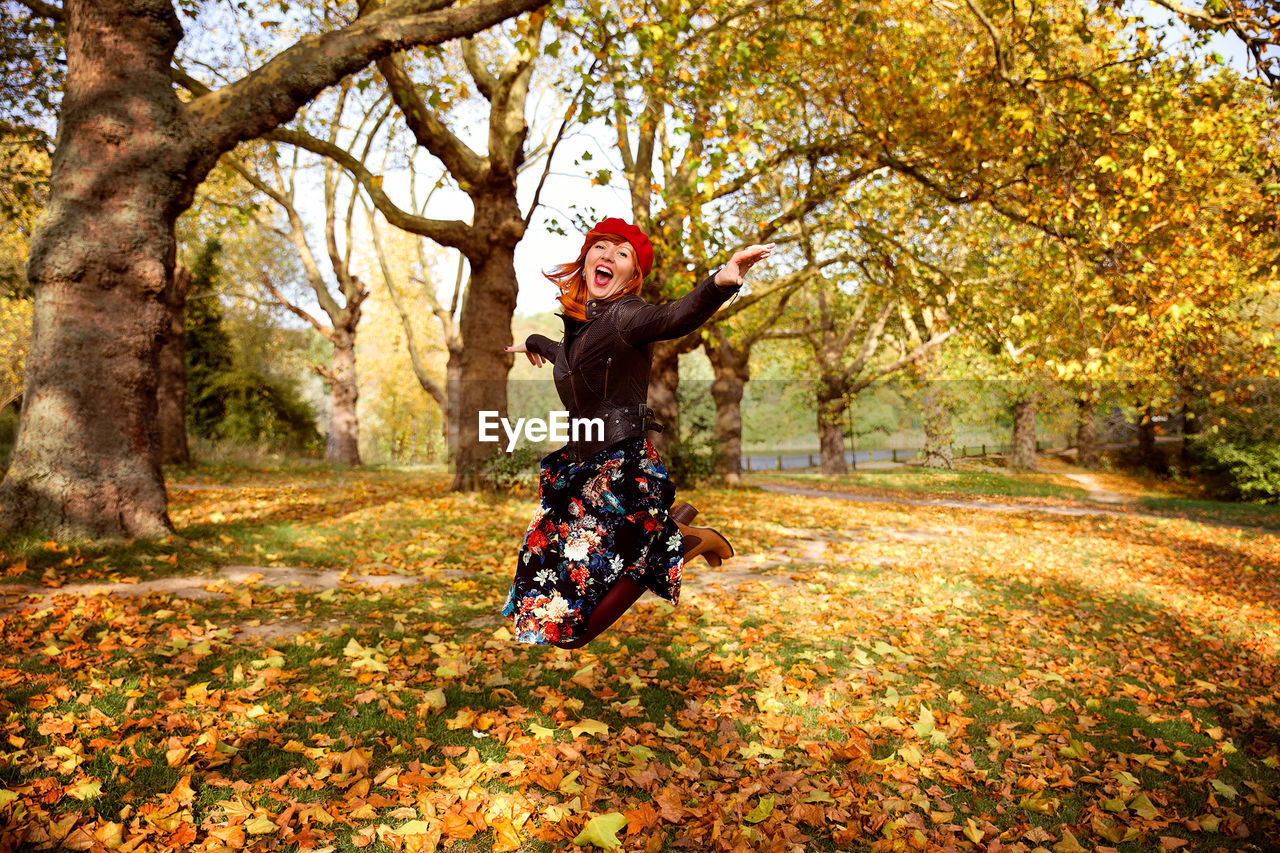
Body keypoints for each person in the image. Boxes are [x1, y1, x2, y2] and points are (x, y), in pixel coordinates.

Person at [501, 217, 773, 648]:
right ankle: (676, 531)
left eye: (621, 253)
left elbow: (674, 316)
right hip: (578, 469)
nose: (608, 256)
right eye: (601, 247)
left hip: (620, 468)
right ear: (587, 258)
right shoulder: (582, 329)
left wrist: (721, 281)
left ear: (631, 276)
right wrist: (536, 341)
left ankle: (683, 541)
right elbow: (565, 357)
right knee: (546, 594)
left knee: (575, 627)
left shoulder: (629, 315)